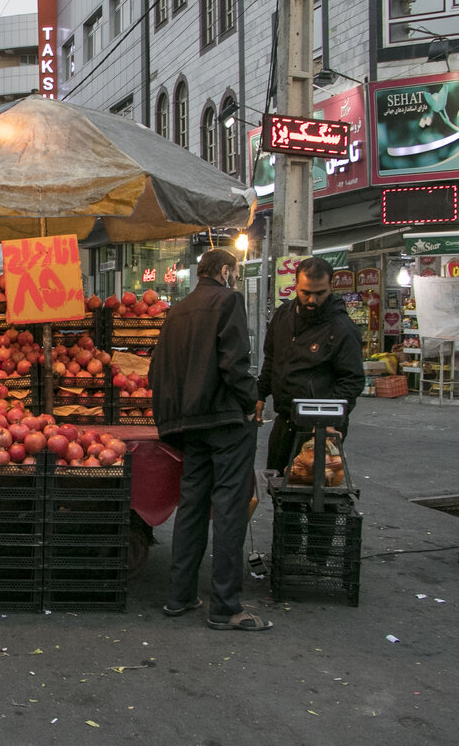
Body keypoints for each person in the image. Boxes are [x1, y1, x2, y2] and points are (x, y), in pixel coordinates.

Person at [149, 249, 270, 631]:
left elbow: (157, 369)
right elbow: (233, 363)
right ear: (224, 271)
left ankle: (180, 596)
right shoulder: (228, 300)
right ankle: (225, 607)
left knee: (192, 506)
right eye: (235, 271)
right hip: (225, 421)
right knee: (230, 510)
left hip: (189, 423)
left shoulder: (178, 309)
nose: (236, 277)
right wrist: (250, 401)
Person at [255, 256, 365, 475]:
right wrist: (259, 395)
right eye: (306, 292)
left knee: (312, 491)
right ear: (296, 285)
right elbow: (272, 359)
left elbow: (352, 379)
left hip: (320, 428)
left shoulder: (341, 327)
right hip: (285, 421)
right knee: (279, 487)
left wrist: (331, 420)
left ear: (330, 287)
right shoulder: (283, 316)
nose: (312, 300)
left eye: (320, 293)